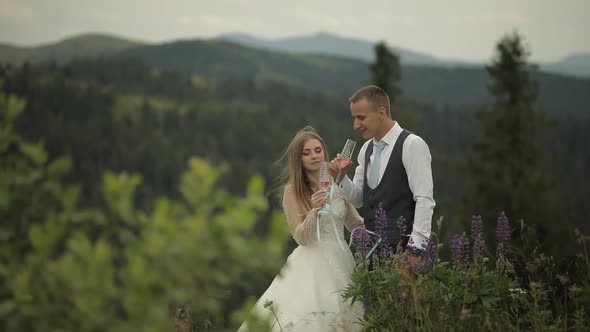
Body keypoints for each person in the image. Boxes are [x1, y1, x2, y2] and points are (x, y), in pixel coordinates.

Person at [238, 127, 365, 332]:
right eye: (306, 153)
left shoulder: (333, 182)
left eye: (318, 150)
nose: (314, 156)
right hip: (312, 263)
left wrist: (343, 182)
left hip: (341, 260)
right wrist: (315, 210)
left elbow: (356, 225)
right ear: (298, 159)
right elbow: (301, 238)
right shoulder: (292, 190)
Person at [330, 85, 435, 263]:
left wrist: (415, 250)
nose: (355, 125)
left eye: (360, 118)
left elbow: (424, 199)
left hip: (405, 253)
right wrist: (341, 177)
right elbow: (358, 199)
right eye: (354, 118)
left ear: (381, 112)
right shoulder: (366, 149)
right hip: (372, 254)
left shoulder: (412, 145)